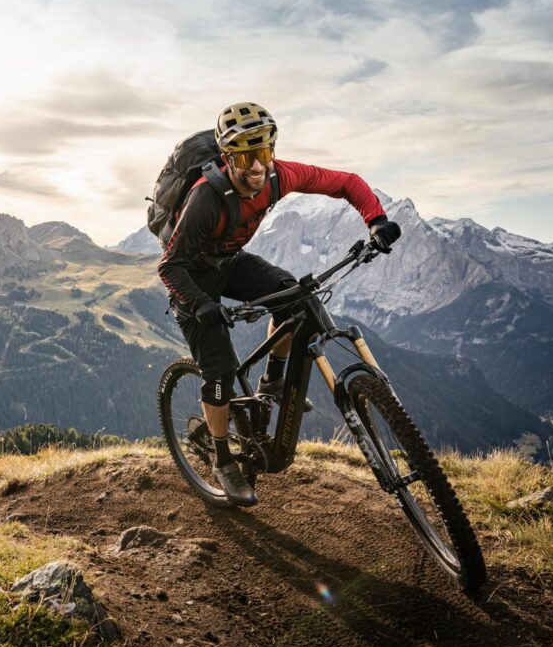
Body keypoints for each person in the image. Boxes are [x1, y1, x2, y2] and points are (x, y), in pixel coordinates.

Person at [158, 102, 401, 506]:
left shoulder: (277, 176)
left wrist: (375, 220)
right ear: (226, 158)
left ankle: (271, 382)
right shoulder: (206, 199)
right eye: (245, 156)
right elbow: (170, 266)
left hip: (229, 263)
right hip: (191, 278)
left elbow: (346, 182)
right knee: (218, 372)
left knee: (294, 298)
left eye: (264, 153)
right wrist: (201, 304)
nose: (257, 167)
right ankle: (223, 462)